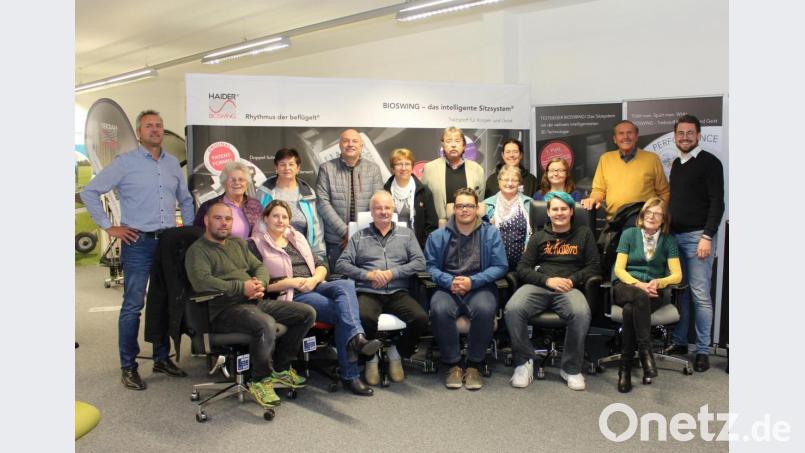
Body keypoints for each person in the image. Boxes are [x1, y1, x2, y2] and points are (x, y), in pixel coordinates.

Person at [81, 109, 195, 391]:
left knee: (165, 300)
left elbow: (186, 198)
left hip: (168, 242)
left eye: (159, 125)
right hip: (138, 243)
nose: (155, 130)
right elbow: (89, 192)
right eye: (149, 126)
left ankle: (161, 358)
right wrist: (109, 227)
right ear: (139, 133)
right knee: (133, 305)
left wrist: (187, 231)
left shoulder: (171, 164)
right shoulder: (125, 163)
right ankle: (128, 366)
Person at [184, 203, 316, 407]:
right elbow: (202, 282)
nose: (224, 223)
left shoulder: (237, 243)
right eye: (218, 218)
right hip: (223, 310)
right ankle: (260, 380)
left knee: (306, 314)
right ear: (207, 221)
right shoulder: (197, 251)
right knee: (265, 324)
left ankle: (280, 369)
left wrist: (259, 284)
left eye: (228, 219)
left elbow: (259, 266)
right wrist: (241, 287)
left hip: (253, 302)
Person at [252, 200, 382, 396]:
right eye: (275, 216)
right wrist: (292, 282)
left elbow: (321, 264)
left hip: (315, 285)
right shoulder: (256, 244)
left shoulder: (297, 238)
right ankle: (352, 370)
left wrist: (314, 279)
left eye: (284, 217)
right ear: (265, 218)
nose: (280, 220)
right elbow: (261, 284)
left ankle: (357, 338)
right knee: (343, 314)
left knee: (346, 285)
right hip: (292, 294)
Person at [504, 191, 599, 390]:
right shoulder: (538, 237)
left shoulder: (584, 234)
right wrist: (547, 280)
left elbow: (593, 266)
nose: (559, 213)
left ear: (571, 211)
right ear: (548, 212)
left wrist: (571, 280)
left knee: (581, 313)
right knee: (513, 309)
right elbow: (522, 268)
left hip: (569, 287)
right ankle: (524, 362)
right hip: (540, 285)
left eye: (564, 209)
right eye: (555, 209)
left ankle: (571, 368)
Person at [336, 191, 429, 385]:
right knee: (364, 318)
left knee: (420, 319)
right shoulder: (359, 237)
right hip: (368, 291)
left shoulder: (406, 234)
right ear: (371, 212)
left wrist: (391, 273)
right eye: (378, 208)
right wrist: (368, 275)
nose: (383, 212)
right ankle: (371, 358)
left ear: (393, 210)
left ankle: (397, 352)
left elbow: (420, 262)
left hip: (397, 291)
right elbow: (341, 264)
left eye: (387, 207)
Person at [425, 188, 507, 390]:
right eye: (460, 206)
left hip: (479, 287)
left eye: (469, 205)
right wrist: (448, 281)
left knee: (485, 309)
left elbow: (500, 266)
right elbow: (429, 266)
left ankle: (474, 365)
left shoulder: (491, 234)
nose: (464, 210)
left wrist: (473, 282)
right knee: (439, 309)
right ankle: (453, 364)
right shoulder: (437, 236)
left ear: (477, 208)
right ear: (453, 209)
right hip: (448, 288)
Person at [666, 114, 725, 373]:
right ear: (675, 137)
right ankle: (680, 342)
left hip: (698, 237)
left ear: (699, 135)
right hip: (675, 238)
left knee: (700, 296)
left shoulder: (710, 163)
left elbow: (717, 203)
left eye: (690, 133)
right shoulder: (678, 164)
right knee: (681, 293)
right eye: (681, 133)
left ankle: (702, 350)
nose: (685, 137)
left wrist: (707, 236)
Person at [612, 197, 682, 393]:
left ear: (664, 219)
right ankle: (646, 352)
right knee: (637, 297)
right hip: (625, 286)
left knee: (629, 311)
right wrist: (638, 284)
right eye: (649, 213)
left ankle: (624, 369)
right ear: (642, 216)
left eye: (658, 214)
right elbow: (619, 269)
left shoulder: (668, 241)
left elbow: (677, 274)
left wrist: (659, 282)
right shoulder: (629, 234)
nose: (652, 217)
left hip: (652, 292)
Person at [316, 129, 384, 270]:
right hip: (337, 241)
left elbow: (379, 203)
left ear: (361, 145)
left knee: (365, 283)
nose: (350, 144)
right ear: (340, 145)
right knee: (339, 283)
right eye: (346, 141)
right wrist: (345, 231)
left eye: (355, 141)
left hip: (367, 239)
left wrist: (357, 233)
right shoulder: (326, 169)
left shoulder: (373, 169)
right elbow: (322, 202)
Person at [580, 120, 670, 219]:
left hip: (643, 221)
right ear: (615, 139)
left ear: (636, 137)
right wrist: (593, 199)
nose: (625, 137)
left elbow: (664, 192)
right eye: (621, 133)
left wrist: (659, 213)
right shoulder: (605, 159)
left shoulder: (652, 159)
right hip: (615, 221)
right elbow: (598, 190)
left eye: (629, 133)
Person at [259, 148, 326, 260]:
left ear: (298, 168)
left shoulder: (308, 194)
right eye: (282, 164)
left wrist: (318, 255)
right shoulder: (264, 192)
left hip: (304, 253)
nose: (287, 168)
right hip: (271, 253)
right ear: (276, 167)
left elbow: (316, 226)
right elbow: (258, 224)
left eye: (291, 164)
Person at [422, 126, 485, 223]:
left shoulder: (477, 169)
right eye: (448, 141)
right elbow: (424, 201)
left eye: (457, 141)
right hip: (438, 227)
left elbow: (479, 202)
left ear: (464, 145)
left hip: (469, 226)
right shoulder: (429, 168)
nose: (453, 145)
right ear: (442, 145)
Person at [382, 148, 439, 249]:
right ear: (392, 168)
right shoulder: (383, 193)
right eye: (399, 164)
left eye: (407, 164)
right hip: (389, 248)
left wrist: (422, 249)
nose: (403, 168)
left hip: (417, 248)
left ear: (412, 167)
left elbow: (432, 225)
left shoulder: (424, 192)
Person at [194, 161, 263, 239]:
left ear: (247, 184)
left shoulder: (255, 205)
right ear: (224, 183)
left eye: (241, 179)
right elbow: (198, 235)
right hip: (219, 250)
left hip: (249, 250)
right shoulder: (209, 206)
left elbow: (262, 232)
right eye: (232, 179)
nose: (237, 182)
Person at [483, 166, 533, 271]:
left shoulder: (529, 203)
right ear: (499, 181)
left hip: (523, 264)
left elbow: (536, 233)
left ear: (519, 183)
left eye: (514, 180)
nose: (509, 184)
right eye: (505, 179)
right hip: (493, 263)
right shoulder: (486, 205)